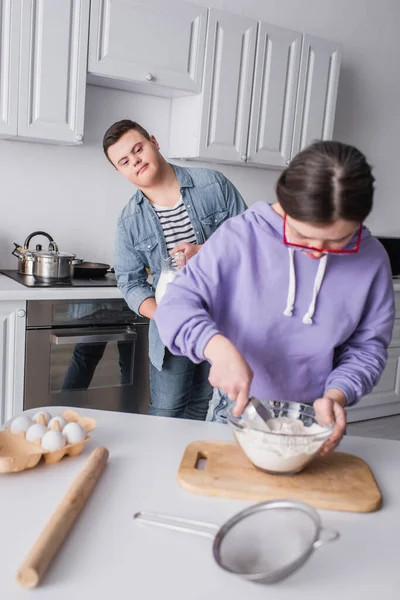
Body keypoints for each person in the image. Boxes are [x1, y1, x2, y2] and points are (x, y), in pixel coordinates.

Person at [154, 140, 395, 454]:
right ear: (285, 203)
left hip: (312, 420)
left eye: (337, 242)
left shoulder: (372, 259)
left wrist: (337, 394)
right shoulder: (239, 237)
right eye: (303, 236)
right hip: (235, 409)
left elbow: (366, 348)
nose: (316, 253)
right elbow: (174, 305)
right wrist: (217, 348)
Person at [104, 119, 247, 420]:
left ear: (153, 142)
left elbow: (251, 242)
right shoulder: (129, 222)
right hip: (173, 329)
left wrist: (204, 252)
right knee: (167, 410)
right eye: (125, 161)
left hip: (223, 320)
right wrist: (164, 315)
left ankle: (187, 464)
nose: (136, 162)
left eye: (138, 149)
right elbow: (130, 283)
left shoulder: (214, 184)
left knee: (202, 403)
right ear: (120, 171)